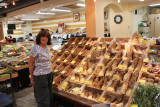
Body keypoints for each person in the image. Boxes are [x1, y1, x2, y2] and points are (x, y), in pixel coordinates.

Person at [29, 28, 53, 107]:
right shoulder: (35, 48)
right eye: (43, 36)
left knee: (49, 95)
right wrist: (32, 79)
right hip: (40, 76)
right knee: (43, 99)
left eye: (46, 37)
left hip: (49, 74)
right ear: (39, 37)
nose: (44, 38)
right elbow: (31, 65)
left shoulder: (47, 47)